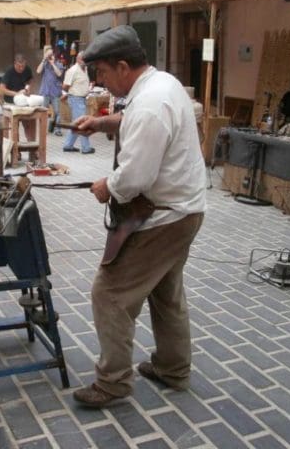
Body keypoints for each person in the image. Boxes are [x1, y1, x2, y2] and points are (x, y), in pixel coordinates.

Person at [69, 25, 206, 408]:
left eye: (103, 73)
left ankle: (112, 384)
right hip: (185, 209)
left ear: (124, 66)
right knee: (165, 292)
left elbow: (134, 178)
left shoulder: (149, 104)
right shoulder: (161, 83)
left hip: (164, 216)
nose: (100, 82)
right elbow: (138, 125)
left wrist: (106, 187)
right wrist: (101, 123)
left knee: (109, 293)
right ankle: (172, 369)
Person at [61, 52, 94, 154]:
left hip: (82, 98)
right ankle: (86, 147)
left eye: (86, 59)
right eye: (83, 59)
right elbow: (65, 86)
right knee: (82, 123)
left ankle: (68, 145)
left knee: (76, 123)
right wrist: (70, 93)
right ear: (78, 59)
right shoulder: (73, 70)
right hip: (76, 98)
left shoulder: (85, 69)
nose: (85, 62)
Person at [0, 53, 36, 144]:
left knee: (28, 123)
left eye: (23, 66)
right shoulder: (9, 72)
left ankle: (32, 148)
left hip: (23, 101)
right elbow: (2, 88)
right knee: (15, 126)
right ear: (15, 63)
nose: (21, 68)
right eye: (19, 66)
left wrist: (28, 88)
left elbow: (30, 80)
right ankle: (16, 150)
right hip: (10, 102)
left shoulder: (27, 69)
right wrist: (16, 94)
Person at [37, 45, 64, 135]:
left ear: (54, 55)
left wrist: (52, 63)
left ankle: (57, 130)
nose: (50, 56)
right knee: (43, 112)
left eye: (51, 54)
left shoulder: (58, 64)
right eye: (48, 54)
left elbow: (59, 74)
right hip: (45, 91)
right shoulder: (44, 64)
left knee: (57, 112)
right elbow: (38, 71)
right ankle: (43, 129)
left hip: (55, 91)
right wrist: (44, 59)